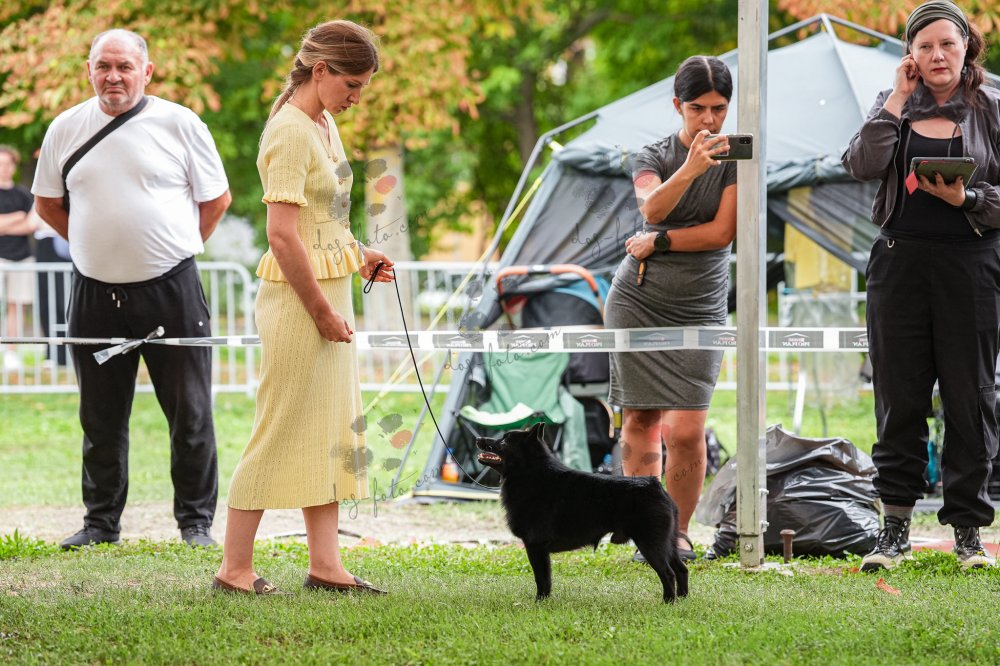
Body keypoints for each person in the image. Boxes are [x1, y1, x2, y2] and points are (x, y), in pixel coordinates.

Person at [32, 29, 232, 549]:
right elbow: (47, 203)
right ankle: (100, 524)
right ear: (89, 70)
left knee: (190, 414)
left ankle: (195, 523)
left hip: (172, 291)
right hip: (94, 294)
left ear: (147, 71)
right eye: (103, 66)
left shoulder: (180, 123)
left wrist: (173, 249)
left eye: (124, 66)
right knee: (99, 416)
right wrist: (92, 246)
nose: (113, 76)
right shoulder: (65, 127)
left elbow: (216, 200)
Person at [213, 19, 394, 596]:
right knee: (280, 428)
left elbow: (327, 220)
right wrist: (319, 311)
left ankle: (326, 565)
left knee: (330, 429)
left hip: (330, 292)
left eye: (363, 86)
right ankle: (233, 569)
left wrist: (359, 255)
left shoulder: (323, 124)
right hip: (298, 304)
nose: (356, 97)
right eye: (352, 84)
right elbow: (283, 235)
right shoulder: (289, 131)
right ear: (320, 70)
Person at [843, 0, 1000, 571]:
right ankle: (894, 530)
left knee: (970, 397)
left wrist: (969, 197)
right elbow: (860, 164)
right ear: (909, 54)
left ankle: (968, 532)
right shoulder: (892, 104)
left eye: (947, 44)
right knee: (899, 397)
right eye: (925, 45)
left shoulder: (992, 107)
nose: (937, 55)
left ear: (966, 48)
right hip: (899, 264)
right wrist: (896, 99)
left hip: (972, 265)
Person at [604, 56, 737, 563]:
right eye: (698, 108)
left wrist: (659, 242)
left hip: (701, 304)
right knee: (640, 418)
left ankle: (677, 533)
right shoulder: (653, 155)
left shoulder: (736, 157)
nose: (709, 120)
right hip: (638, 300)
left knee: (685, 430)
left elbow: (721, 233)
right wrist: (691, 168)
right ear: (678, 105)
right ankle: (648, 533)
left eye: (719, 108)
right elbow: (651, 208)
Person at [0, 145, 36, 372]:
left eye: (7, 164)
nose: (4, 168)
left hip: (22, 258)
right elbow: (24, 220)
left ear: (14, 167)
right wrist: (18, 217)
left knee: (17, 306)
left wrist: (5, 223)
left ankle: (11, 352)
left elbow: (32, 224)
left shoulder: (23, 194)